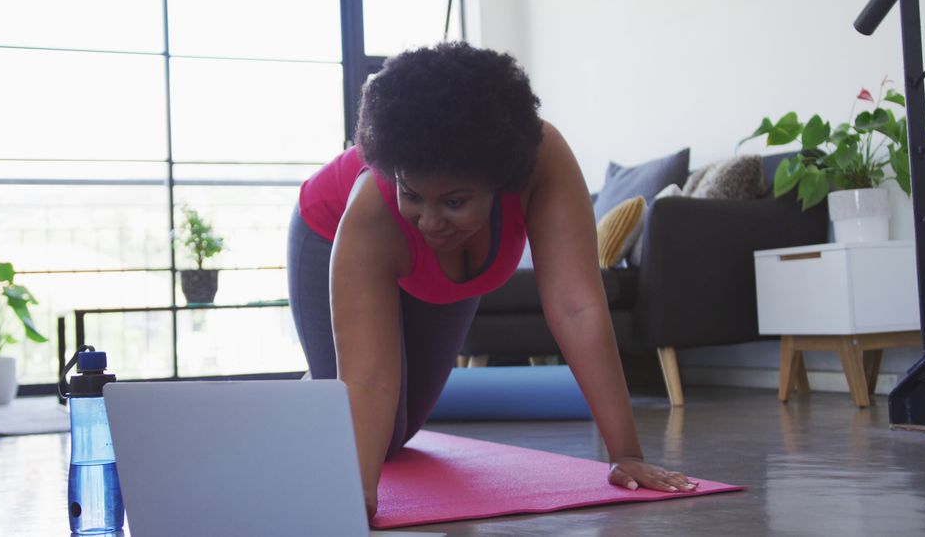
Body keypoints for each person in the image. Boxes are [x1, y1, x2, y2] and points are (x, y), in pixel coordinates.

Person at [287, 42, 695, 519]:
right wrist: (356, 498)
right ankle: (297, 406)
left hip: (443, 270)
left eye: (455, 202)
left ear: (501, 183)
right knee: (375, 440)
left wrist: (626, 453)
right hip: (326, 235)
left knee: (398, 435)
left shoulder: (543, 163)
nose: (430, 222)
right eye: (413, 194)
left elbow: (577, 308)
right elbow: (372, 381)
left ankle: (315, 399)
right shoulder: (372, 214)